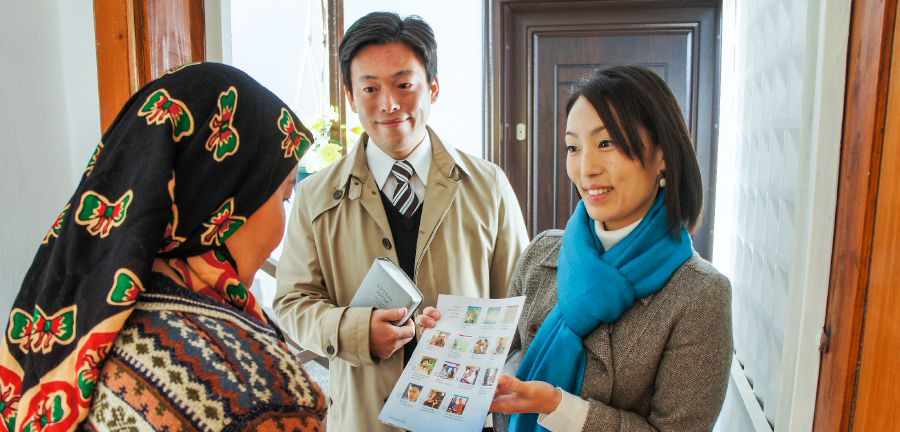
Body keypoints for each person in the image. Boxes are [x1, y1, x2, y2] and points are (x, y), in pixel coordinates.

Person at [0, 63, 327, 431]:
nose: (282, 224)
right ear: (224, 200)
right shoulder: (259, 389)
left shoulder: (68, 325)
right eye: (284, 196)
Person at [419, 65, 732, 431]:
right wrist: (452, 347)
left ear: (662, 154)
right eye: (573, 147)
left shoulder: (699, 294)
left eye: (606, 143)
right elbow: (504, 367)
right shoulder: (542, 255)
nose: (586, 168)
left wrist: (558, 407)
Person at [273, 11, 529, 431]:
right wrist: (357, 331)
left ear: (433, 87)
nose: (389, 104)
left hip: (459, 419)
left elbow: (519, 306)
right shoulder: (316, 196)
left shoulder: (489, 187)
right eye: (370, 88)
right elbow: (292, 304)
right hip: (363, 419)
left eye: (404, 85)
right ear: (350, 97)